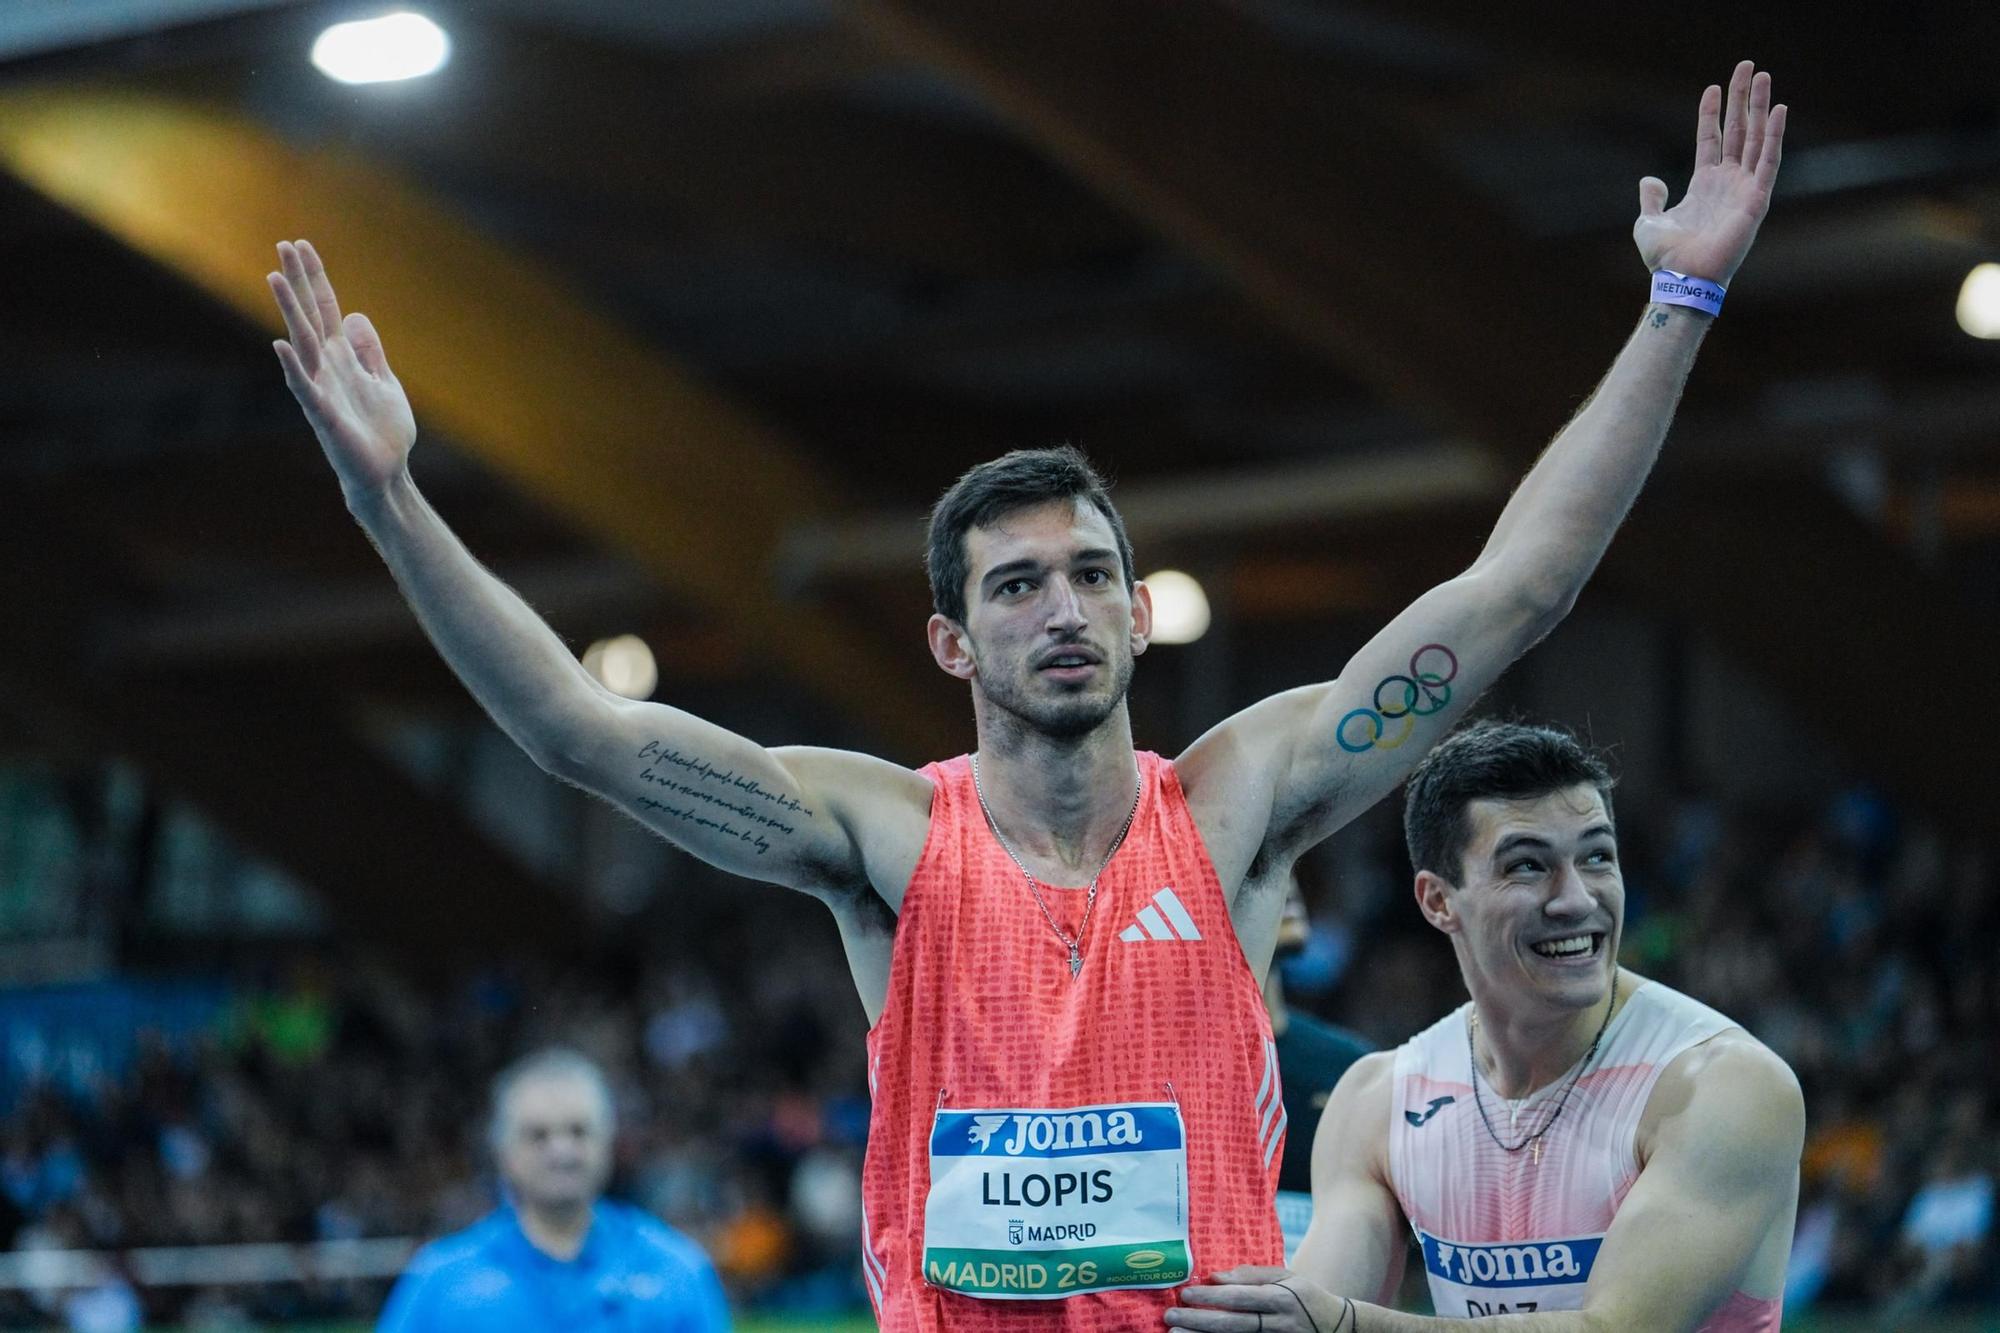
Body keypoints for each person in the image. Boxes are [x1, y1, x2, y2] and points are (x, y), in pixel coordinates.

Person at [267, 59, 1785, 1332]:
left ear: (1137, 612)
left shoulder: (1238, 803)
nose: (1061, 608)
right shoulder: (882, 835)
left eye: (1089, 574)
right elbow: (575, 732)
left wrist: (1684, 297)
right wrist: (392, 498)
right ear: (951, 645)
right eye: (1015, 585)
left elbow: (1514, 593)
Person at [1165, 722, 1804, 1332]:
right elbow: (1306, 1316)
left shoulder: (1724, 1087)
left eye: (1598, 857)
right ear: (1438, 900)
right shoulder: (1378, 1100)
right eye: (1528, 865)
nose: (1577, 898)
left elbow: (1620, 1328)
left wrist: (1343, 1324)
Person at [377, 1049, 730, 1333]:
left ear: (609, 1142)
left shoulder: (674, 1270)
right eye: (538, 1135)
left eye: (578, 1131)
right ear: (502, 1153)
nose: (561, 1151)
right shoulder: (442, 1283)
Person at [1265, 874, 1372, 1263]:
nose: (1287, 880)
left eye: (1287, 863)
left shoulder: (1351, 1068)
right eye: (1254, 866)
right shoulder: (1156, 1074)